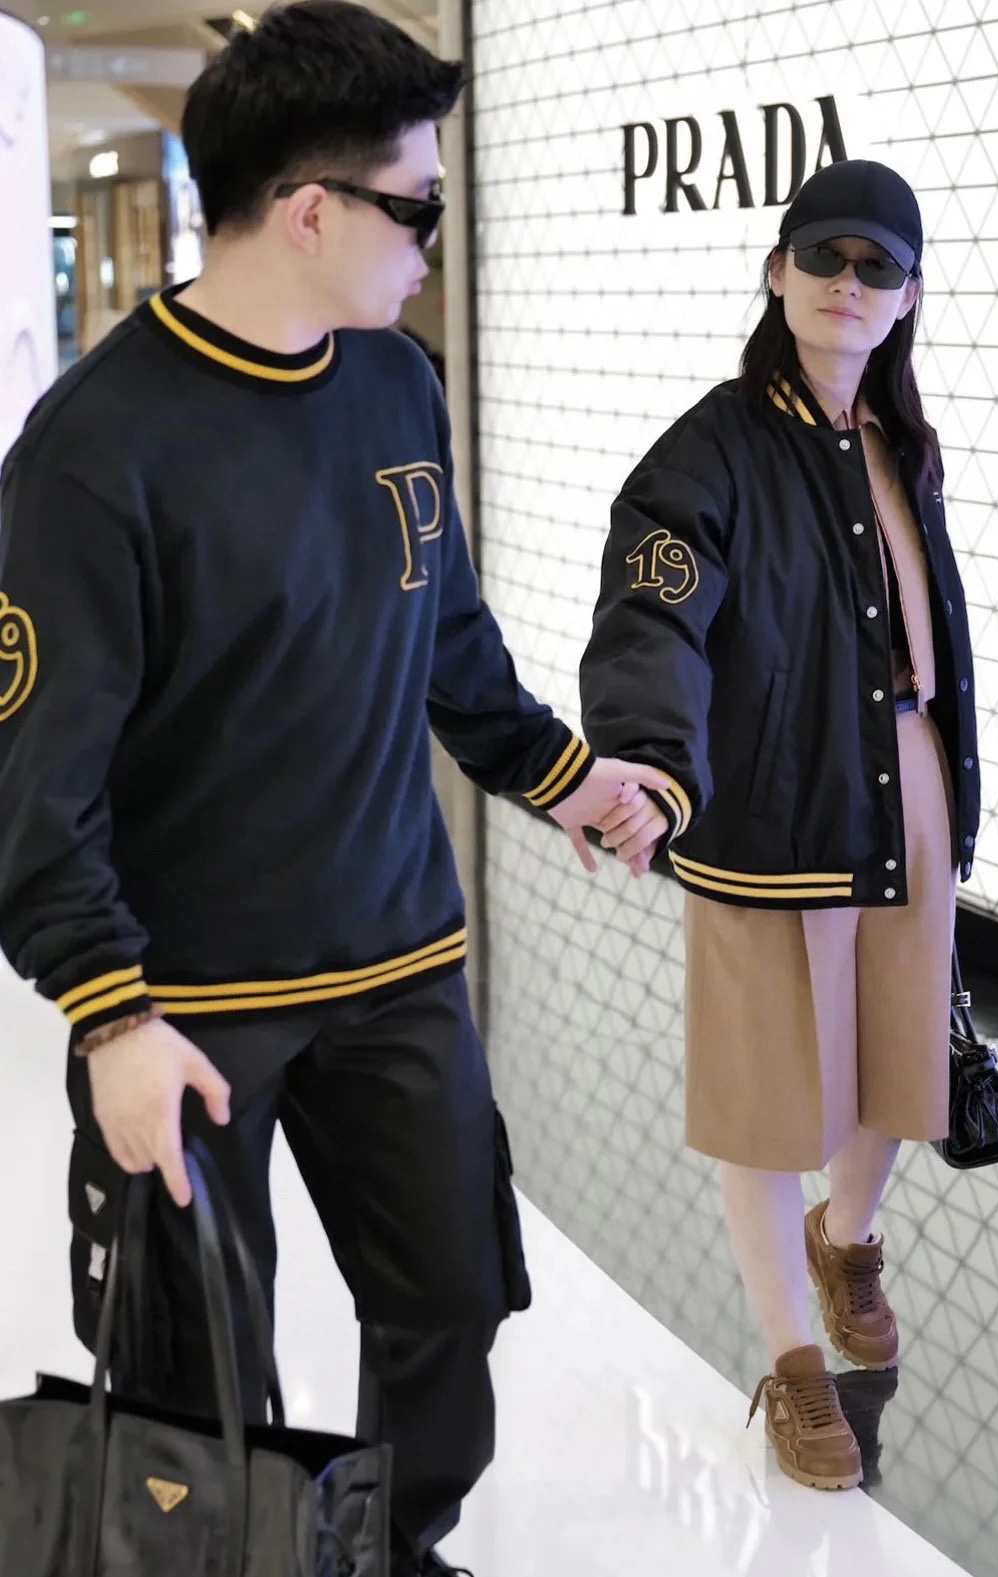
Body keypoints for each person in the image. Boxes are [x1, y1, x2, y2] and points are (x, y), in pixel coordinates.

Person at [0, 6, 664, 1573]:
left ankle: (388, 1548)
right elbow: (34, 783)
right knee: (193, 1373)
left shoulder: (394, 388)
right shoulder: (94, 452)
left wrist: (566, 776)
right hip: (192, 1004)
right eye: (416, 207)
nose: (430, 244)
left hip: (398, 958)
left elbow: (449, 643)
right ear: (310, 211)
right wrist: (110, 1013)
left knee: (448, 1304)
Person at [579, 160, 980, 1491]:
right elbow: (654, 612)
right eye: (824, 257)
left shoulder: (901, 441)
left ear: (908, 294)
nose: (848, 285)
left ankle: (845, 1237)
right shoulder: (711, 449)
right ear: (776, 271)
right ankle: (793, 1360)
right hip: (768, 801)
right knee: (767, 1097)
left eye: (878, 267)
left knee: (899, 1055)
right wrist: (650, 760)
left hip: (905, 775)